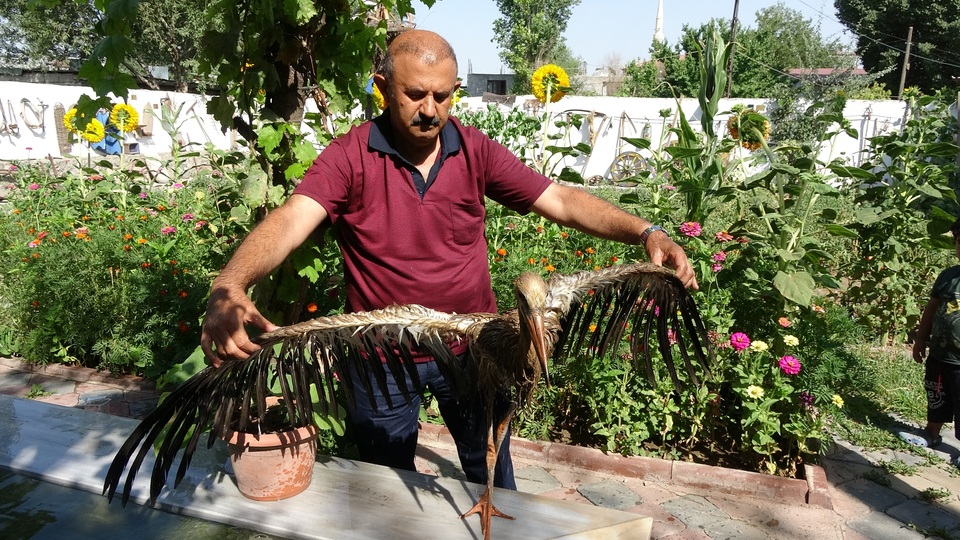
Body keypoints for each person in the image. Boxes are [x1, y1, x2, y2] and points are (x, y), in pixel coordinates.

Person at [200, 29, 698, 490]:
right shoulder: (350, 157)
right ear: (383, 87)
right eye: (415, 94)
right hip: (382, 357)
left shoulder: (473, 149)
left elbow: (561, 200)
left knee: (490, 475)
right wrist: (230, 284)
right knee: (388, 485)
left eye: (443, 95)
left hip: (471, 350)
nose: (430, 110)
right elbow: (291, 220)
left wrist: (646, 231)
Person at [906, 217, 960, 457]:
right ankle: (931, 433)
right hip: (939, 353)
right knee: (936, 394)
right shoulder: (948, 276)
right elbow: (931, 308)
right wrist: (920, 338)